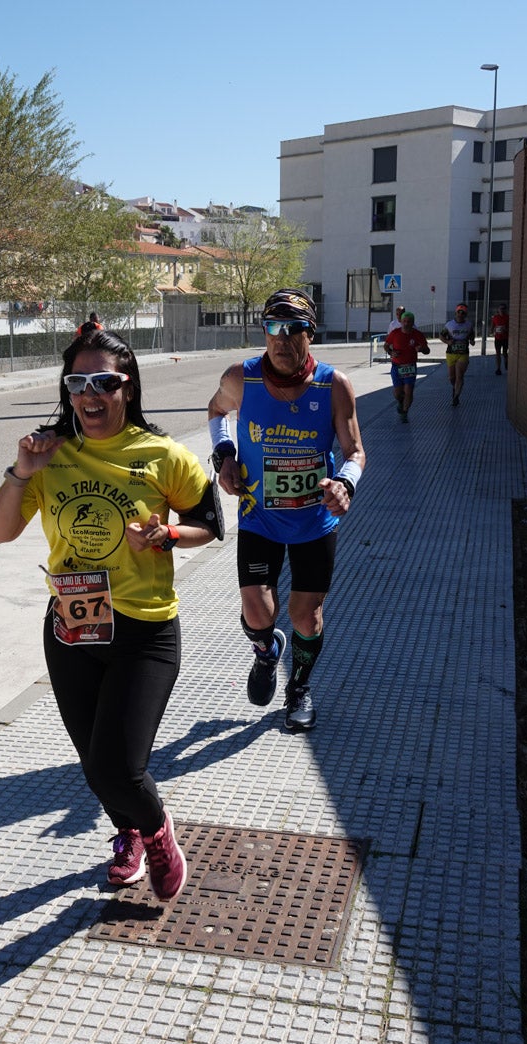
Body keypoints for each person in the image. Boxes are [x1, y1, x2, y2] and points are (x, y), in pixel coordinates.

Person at [0, 328, 223, 902]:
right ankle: (128, 834)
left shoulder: (164, 456)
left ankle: (157, 831)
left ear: (127, 387)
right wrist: (21, 471)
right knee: (96, 763)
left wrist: (166, 535)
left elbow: (211, 525)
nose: (90, 394)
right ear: (67, 391)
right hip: (72, 627)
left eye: (103, 382)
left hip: (145, 631)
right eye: (77, 383)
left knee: (118, 766)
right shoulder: (50, 454)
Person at [206, 288, 366, 733]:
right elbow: (216, 411)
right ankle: (264, 651)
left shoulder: (334, 385)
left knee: (305, 615)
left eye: (294, 328)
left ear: (310, 334)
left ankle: (298, 687)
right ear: (264, 331)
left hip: (315, 520)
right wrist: (224, 455)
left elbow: (355, 450)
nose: (283, 337)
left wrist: (346, 482)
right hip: (260, 516)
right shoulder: (242, 377)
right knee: (259, 612)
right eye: (274, 327)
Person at [383, 311, 430, 423]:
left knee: (409, 390)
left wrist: (422, 349)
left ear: (412, 323)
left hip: (410, 366)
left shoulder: (417, 334)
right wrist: (391, 352)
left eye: (409, 322)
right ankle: (400, 401)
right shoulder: (395, 333)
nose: (406, 324)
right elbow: (385, 345)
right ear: (401, 322)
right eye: (404, 321)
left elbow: (427, 350)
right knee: (397, 393)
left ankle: (404, 412)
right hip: (396, 366)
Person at [440, 303, 475, 407]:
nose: (460, 314)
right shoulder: (449, 325)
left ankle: (456, 397)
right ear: (456, 313)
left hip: (463, 354)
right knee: (452, 377)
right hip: (451, 353)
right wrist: (447, 342)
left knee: (459, 375)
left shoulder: (468, 325)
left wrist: (472, 341)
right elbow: (441, 336)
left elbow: (471, 336)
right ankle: (455, 388)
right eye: (459, 312)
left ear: (465, 314)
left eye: (463, 313)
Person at [490, 304, 509, 374]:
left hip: (505, 338)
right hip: (497, 338)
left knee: (504, 353)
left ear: (505, 310)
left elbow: (511, 329)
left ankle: (506, 361)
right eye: (500, 308)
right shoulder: (495, 317)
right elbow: (491, 329)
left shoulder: (508, 317)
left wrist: (505, 329)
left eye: (503, 308)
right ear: (498, 310)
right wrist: (494, 330)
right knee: (497, 353)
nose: (502, 310)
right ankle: (498, 369)